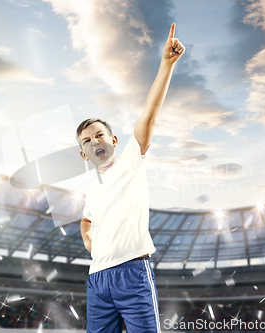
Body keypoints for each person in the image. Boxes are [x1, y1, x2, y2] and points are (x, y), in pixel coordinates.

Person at [76, 23, 185, 333]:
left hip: (131, 271)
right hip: (97, 279)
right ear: (84, 154)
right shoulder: (90, 189)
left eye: (99, 135)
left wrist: (166, 64)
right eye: (87, 140)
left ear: (113, 141)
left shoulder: (131, 161)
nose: (95, 141)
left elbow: (149, 114)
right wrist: (90, 242)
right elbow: (85, 221)